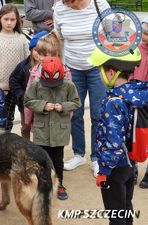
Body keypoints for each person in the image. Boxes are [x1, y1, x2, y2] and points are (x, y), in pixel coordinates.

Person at [88, 47, 148, 225]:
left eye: (100, 71)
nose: (99, 76)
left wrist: (104, 171)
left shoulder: (113, 102)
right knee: (125, 206)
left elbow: (113, 142)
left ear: (111, 72)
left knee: (115, 214)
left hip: (114, 168)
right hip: (130, 164)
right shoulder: (133, 94)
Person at [54, 0, 110, 176]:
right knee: (74, 113)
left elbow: (115, 33)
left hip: (97, 67)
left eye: (70, 1)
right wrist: (61, 67)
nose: (68, 4)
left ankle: (97, 157)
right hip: (72, 67)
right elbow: (59, 39)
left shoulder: (99, 4)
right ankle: (79, 154)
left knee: (98, 113)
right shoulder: (61, 8)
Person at [24, 56, 81, 200]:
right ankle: (42, 185)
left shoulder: (68, 85)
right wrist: (43, 105)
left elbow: (76, 102)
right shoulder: (37, 84)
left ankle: (59, 183)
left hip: (60, 131)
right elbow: (28, 100)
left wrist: (64, 107)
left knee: (57, 159)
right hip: (41, 130)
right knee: (41, 159)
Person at [0, 4, 30, 131]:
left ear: (17, 21)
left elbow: (28, 62)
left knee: (25, 122)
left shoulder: (22, 39)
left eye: (13, 20)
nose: (9, 23)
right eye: (6, 19)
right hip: (0, 89)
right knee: (3, 121)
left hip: (20, 88)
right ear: (0, 19)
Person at [9, 30, 49, 139]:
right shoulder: (23, 66)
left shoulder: (51, 66)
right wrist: (21, 95)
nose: (38, 54)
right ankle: (26, 145)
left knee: (40, 127)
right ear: (31, 50)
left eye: (42, 51)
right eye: (36, 50)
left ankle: (40, 146)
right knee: (25, 126)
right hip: (26, 104)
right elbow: (13, 81)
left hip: (42, 105)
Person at [129, 17, 148, 188]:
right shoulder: (135, 49)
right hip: (137, 95)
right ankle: (132, 168)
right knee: (135, 134)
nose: (144, 36)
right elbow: (129, 71)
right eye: (143, 32)